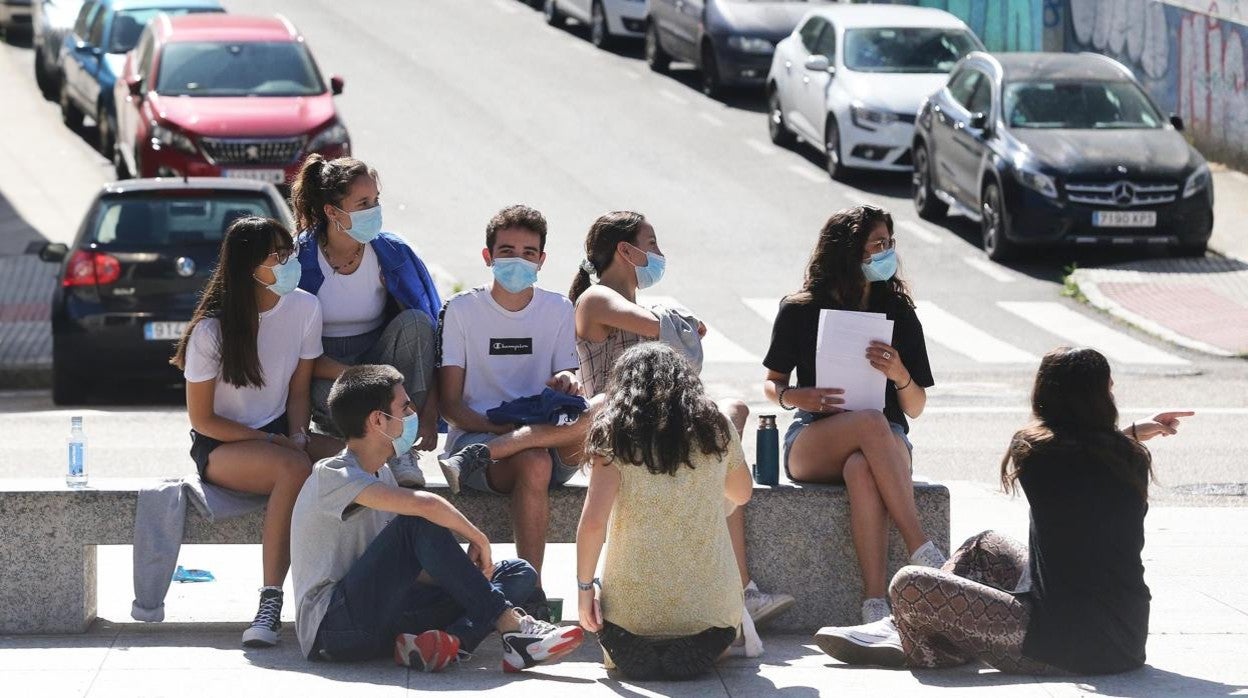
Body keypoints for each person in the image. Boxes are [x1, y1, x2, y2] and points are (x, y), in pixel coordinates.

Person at [814, 347, 1193, 675]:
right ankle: (906, 631)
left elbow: (1068, 449)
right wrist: (1127, 433)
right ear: (1100, 398)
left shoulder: (1035, 453)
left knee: (909, 584)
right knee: (984, 544)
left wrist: (1124, 432)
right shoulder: (1131, 458)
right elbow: (1086, 453)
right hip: (1126, 639)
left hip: (1059, 645)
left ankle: (925, 647)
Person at [569, 210, 794, 628]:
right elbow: (655, 326)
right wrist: (685, 322)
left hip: (660, 429)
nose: (658, 254)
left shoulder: (643, 304)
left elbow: (671, 330)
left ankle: (744, 588)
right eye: (651, 243)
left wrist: (683, 323)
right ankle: (741, 589)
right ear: (625, 250)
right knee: (715, 453)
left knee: (729, 415)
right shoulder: (597, 298)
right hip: (617, 435)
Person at [289, 364, 584, 673]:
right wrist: (477, 538)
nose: (413, 413)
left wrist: (465, 574)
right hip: (334, 629)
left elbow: (403, 566)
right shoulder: (332, 474)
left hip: (382, 616)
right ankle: (513, 626)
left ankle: (445, 645)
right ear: (378, 420)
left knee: (516, 572)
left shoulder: (384, 474)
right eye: (404, 407)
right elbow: (424, 508)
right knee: (416, 522)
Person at [762, 205, 945, 625]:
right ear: (849, 252)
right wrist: (796, 396)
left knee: (863, 464)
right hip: (815, 437)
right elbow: (771, 382)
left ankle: (874, 605)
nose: (887, 252)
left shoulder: (899, 310)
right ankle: (921, 546)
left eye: (889, 243)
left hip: (888, 441)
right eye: (877, 244)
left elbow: (915, 407)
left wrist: (899, 374)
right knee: (869, 422)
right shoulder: (800, 308)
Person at [170, 216, 342, 648]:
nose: (289, 263)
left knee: (359, 459)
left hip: (282, 432)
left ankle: (357, 589)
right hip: (224, 445)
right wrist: (273, 443)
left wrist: (299, 436)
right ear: (249, 267)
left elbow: (299, 391)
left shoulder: (305, 307)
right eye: (277, 257)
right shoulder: (210, 331)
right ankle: (270, 601)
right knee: (291, 469)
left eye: (290, 253)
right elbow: (202, 420)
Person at [436, 204, 596, 620]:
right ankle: (532, 593)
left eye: (529, 252)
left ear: (542, 260)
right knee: (534, 459)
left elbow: (566, 372)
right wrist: (497, 429)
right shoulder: (462, 311)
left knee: (601, 409)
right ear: (488, 257)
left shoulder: (559, 308)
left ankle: (505, 449)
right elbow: (452, 406)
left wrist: (566, 380)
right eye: (507, 251)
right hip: (481, 438)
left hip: (545, 433)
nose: (518, 260)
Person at [576, 343, 752, 680]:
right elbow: (741, 494)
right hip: (710, 606)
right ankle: (713, 641)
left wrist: (585, 591)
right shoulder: (715, 424)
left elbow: (593, 523)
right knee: (720, 625)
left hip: (631, 613)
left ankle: (630, 642)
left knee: (624, 621)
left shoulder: (614, 431)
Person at [290, 153, 443, 488]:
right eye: (363, 202)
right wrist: (359, 379)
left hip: (379, 360)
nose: (374, 210)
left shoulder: (393, 253)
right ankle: (373, 450)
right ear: (332, 211)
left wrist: (429, 411)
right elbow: (291, 353)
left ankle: (402, 448)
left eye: (376, 200)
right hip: (323, 370)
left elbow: (430, 330)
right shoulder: (299, 260)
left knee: (416, 323)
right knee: (338, 393)